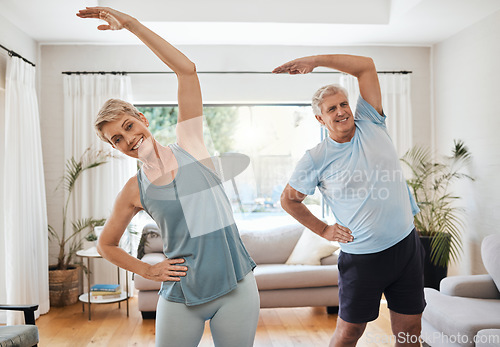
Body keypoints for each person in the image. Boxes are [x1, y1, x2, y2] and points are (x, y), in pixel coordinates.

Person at [77, 7, 259, 347]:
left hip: (237, 285)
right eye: (117, 138)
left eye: (129, 126)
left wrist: (130, 24)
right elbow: (106, 244)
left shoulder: (191, 146)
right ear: (114, 147)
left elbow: (186, 71)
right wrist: (146, 270)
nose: (128, 139)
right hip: (181, 293)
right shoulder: (135, 189)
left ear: (142, 119)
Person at [274, 54, 425, 347]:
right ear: (320, 118)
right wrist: (324, 230)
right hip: (362, 258)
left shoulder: (371, 122)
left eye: (344, 104)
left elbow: (366, 66)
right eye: (332, 109)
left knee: (409, 332)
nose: (342, 111)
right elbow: (289, 201)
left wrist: (315, 61)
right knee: (348, 334)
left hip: (406, 247)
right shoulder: (316, 158)